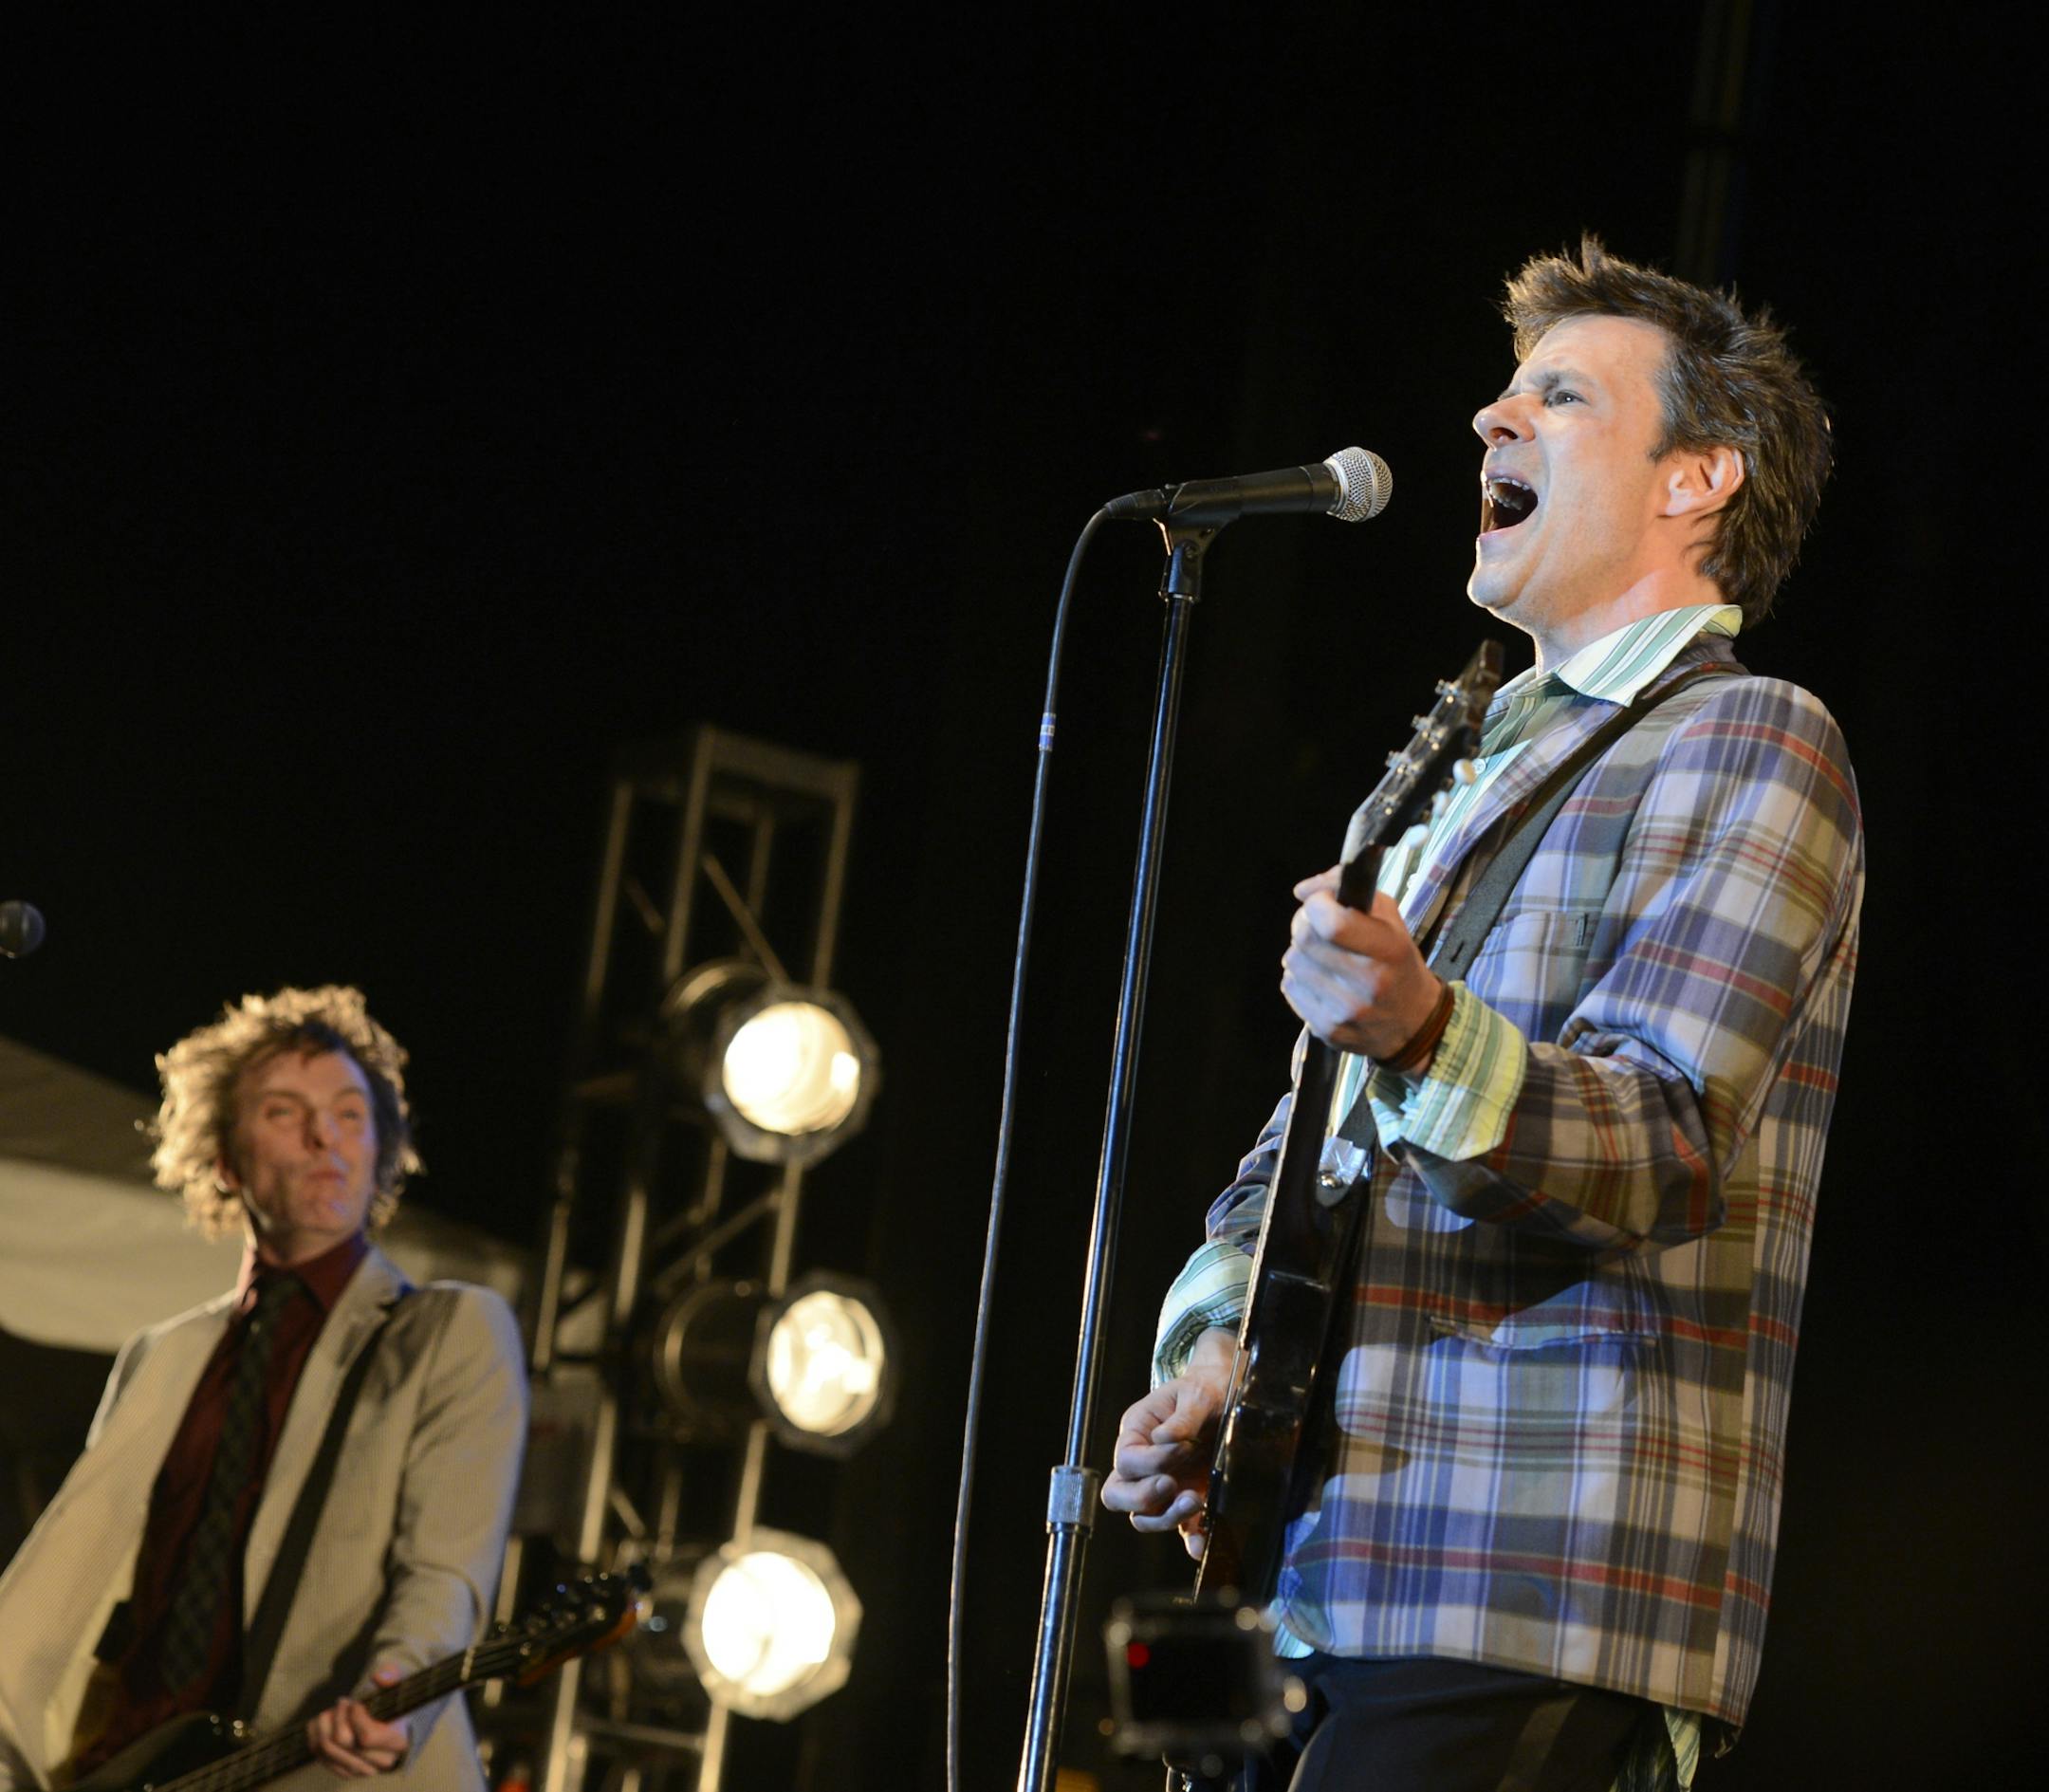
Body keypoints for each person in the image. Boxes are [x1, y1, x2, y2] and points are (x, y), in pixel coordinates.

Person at [1102, 238, 1861, 1791]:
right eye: (1504, 390)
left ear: (1697, 476)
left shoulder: (1754, 739)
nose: (1488, 422)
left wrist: (1419, 1028)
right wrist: (1204, 1357)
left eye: (1559, 396)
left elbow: (1657, 1144)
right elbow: (1287, 1167)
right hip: (1317, 1578)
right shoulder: (1447, 776)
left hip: (1534, 1588)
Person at [0, 987, 528, 1788]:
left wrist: (396, 1693)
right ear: (225, 1157)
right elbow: (81, 1577)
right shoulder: (166, 1352)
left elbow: (446, 1572)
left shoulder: (450, 1333)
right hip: (137, 1764)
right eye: (285, 1111)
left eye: (351, 1113)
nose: (326, 1137)